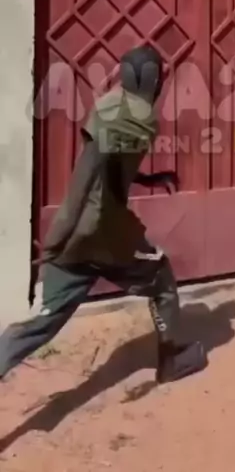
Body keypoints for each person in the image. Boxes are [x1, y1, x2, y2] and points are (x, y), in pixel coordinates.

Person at [0, 44, 207, 384]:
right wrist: (56, 240)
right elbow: (86, 181)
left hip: (80, 238)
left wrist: (148, 179)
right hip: (104, 234)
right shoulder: (140, 121)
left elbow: (108, 169)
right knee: (162, 280)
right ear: (153, 81)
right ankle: (171, 360)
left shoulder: (113, 109)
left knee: (43, 322)